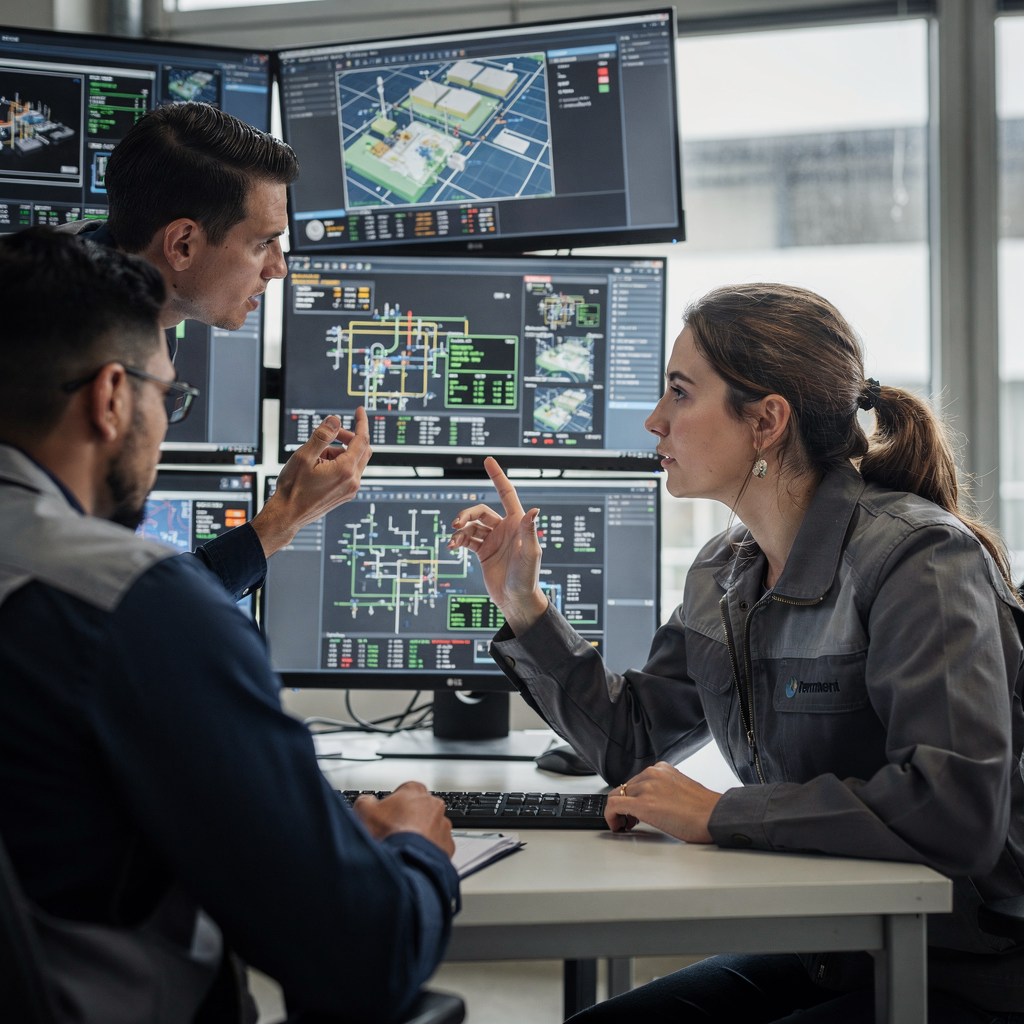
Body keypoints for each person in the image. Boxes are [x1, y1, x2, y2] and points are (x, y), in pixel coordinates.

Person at [449, 283, 1024, 1022]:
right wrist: (523, 605)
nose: (655, 421)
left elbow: (954, 811)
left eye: (680, 394)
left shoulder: (920, 561)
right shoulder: (725, 571)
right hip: (837, 948)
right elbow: (632, 741)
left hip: (971, 970)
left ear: (767, 421)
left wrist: (722, 814)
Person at [0, 229, 458, 1023]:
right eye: (166, 397)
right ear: (110, 398)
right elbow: (364, 953)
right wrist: (416, 847)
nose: (166, 424)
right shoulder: (138, 604)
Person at [59, 101, 365, 605]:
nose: (279, 268)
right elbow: (108, 608)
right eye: (264, 243)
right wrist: (280, 521)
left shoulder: (115, 279)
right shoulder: (60, 370)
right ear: (181, 244)